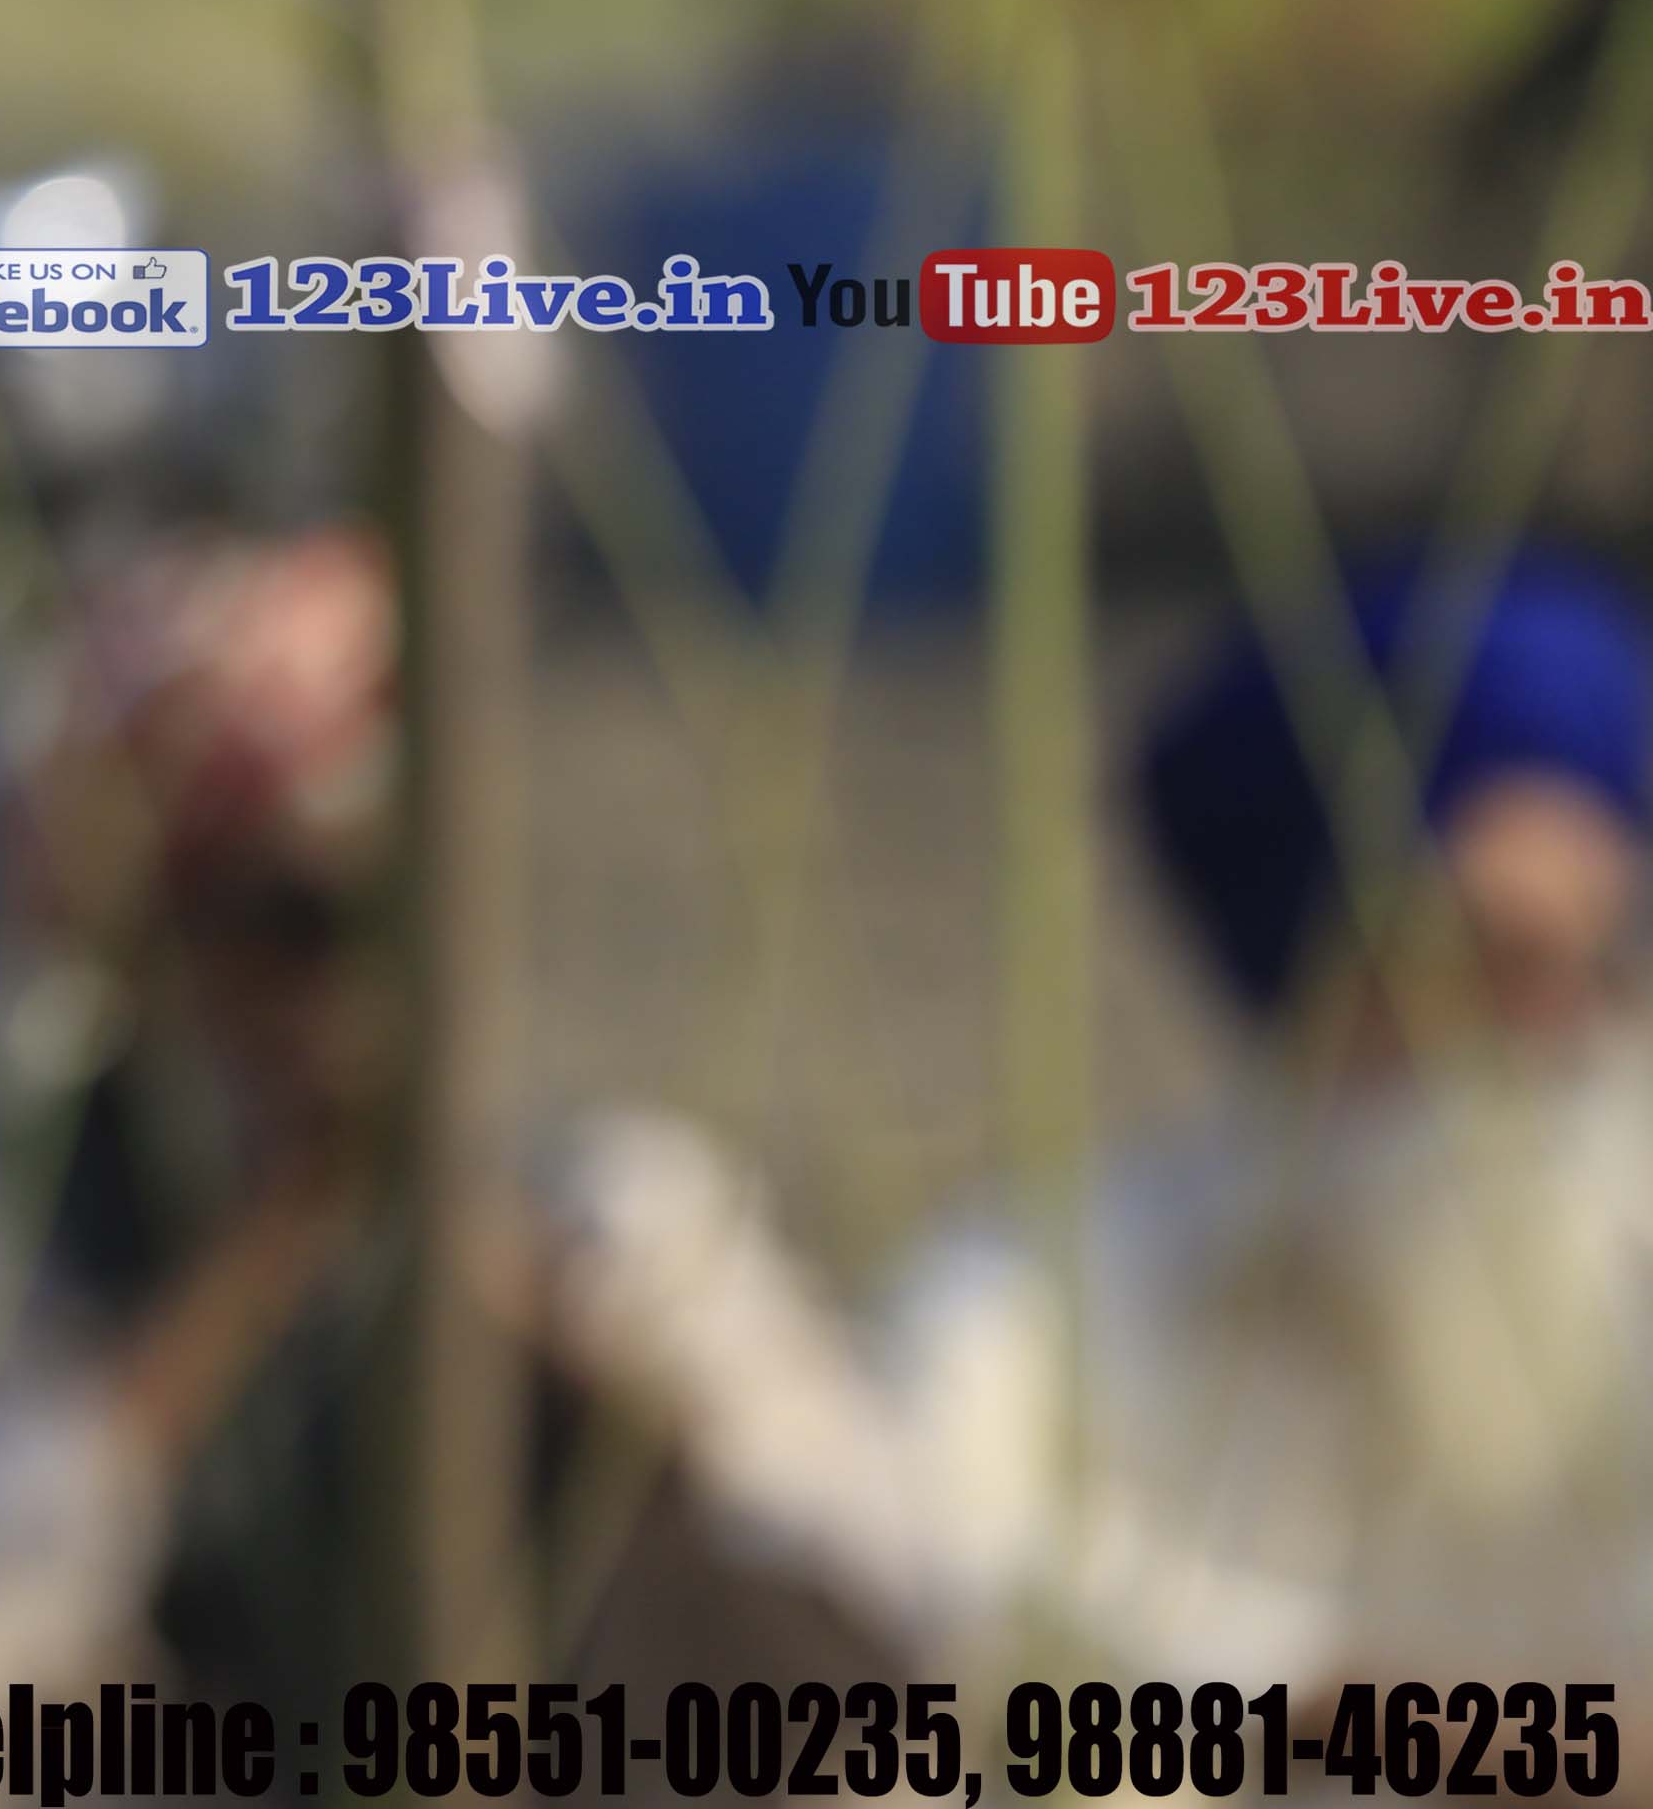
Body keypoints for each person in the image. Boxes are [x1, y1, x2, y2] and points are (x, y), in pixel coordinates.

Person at [546, 551, 1653, 1684]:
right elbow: (953, 1598)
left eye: (1597, 964)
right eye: (1488, 961)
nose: (1555, 1031)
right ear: (1324, 957)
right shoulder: (1037, 1305)